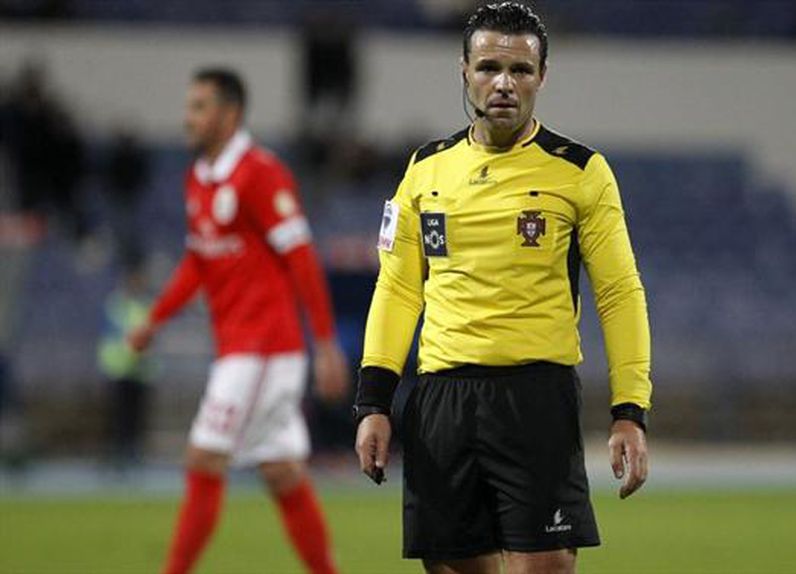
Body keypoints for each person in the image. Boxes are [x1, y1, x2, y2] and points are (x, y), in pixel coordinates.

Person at [353, 3, 652, 573]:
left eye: (520, 70)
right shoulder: (425, 169)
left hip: (535, 398)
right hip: (441, 400)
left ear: (542, 76)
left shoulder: (580, 171)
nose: (504, 84)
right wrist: (373, 403)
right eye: (489, 67)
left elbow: (620, 293)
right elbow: (398, 289)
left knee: (545, 566)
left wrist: (630, 410)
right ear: (464, 70)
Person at [127, 68, 349, 574]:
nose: (188, 117)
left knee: (204, 457)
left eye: (199, 107)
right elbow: (198, 261)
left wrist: (325, 343)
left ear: (229, 115)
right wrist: (154, 320)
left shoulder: (259, 173)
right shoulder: (199, 178)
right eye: (190, 106)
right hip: (242, 347)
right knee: (282, 472)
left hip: (263, 348)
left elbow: (302, 257)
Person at [98, 263, 153, 469]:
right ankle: (118, 454)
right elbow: (116, 334)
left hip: (141, 371)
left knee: (136, 416)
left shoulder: (145, 305)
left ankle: (132, 453)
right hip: (119, 368)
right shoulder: (117, 304)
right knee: (118, 415)